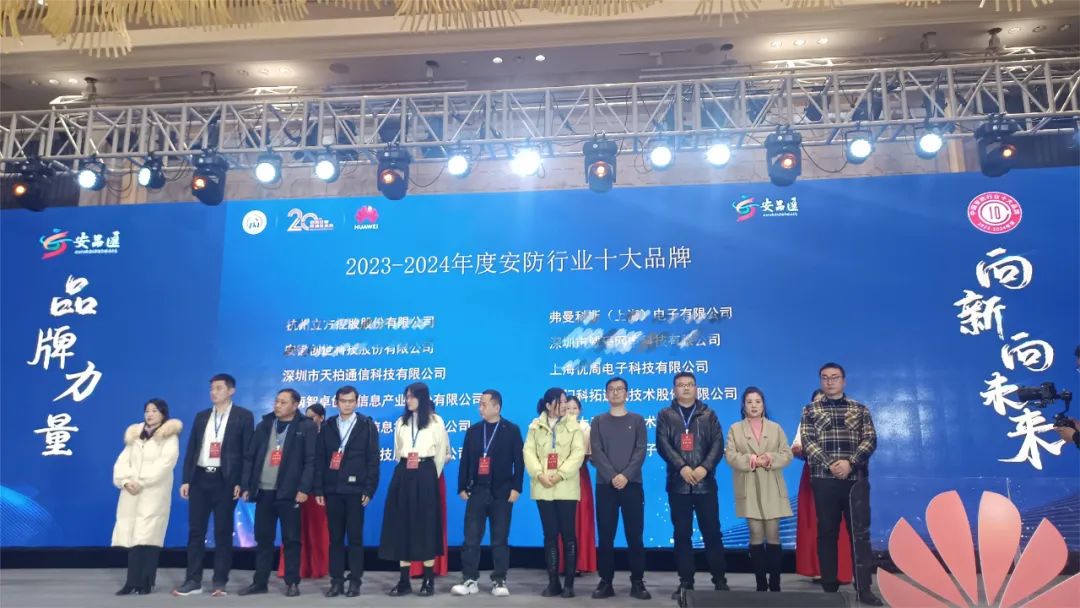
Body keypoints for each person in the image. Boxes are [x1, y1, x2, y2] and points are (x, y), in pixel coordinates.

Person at [800, 363, 883, 606]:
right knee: (827, 533)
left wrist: (850, 463)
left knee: (860, 535)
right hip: (824, 480)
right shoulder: (810, 410)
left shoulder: (860, 409)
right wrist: (831, 464)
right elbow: (808, 441)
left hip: (855, 481)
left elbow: (870, 440)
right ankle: (829, 588)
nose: (830, 381)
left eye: (834, 377)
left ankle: (864, 589)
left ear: (843, 381)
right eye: (825, 378)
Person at [174, 374, 254, 597]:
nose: (213, 392)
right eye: (212, 388)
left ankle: (220, 581)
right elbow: (192, 450)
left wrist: (242, 483)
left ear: (231, 391)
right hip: (200, 478)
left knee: (223, 532)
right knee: (196, 532)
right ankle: (193, 580)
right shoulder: (202, 416)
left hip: (225, 481)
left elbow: (247, 453)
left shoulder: (243, 416)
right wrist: (186, 479)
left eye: (219, 388)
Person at [656, 371, 729, 599]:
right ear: (674, 389)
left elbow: (718, 444)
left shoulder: (708, 414)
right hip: (678, 484)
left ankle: (720, 581)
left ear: (696, 388)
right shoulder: (666, 415)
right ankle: (686, 582)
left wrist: (703, 468)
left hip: (705, 484)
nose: (686, 388)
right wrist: (682, 467)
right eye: (681, 385)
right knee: (682, 535)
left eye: (690, 384)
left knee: (712, 533)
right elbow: (663, 444)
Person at [238, 388, 317, 597]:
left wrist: (304, 489)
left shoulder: (306, 426)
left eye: (283, 402)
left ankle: (292, 582)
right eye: (277, 401)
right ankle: (260, 582)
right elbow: (250, 457)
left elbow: (311, 461)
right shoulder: (265, 425)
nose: (278, 405)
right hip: (264, 491)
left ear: (295, 405)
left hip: (290, 493)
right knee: (263, 539)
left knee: (291, 539)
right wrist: (247, 486)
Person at [451, 389, 525, 597]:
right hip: (477, 491)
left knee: (500, 539)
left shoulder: (511, 430)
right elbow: (465, 461)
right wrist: (461, 487)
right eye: (479, 404)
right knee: (471, 538)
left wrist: (517, 487)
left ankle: (499, 579)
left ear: (497, 407)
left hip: (502, 492)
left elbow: (519, 463)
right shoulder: (474, 431)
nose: (480, 408)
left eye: (484, 404)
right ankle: (469, 579)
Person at [379, 382, 450, 597]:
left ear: (423, 398)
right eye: (406, 396)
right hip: (403, 473)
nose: (408, 400)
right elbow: (397, 451)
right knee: (402, 524)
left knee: (426, 524)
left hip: (426, 472)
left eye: (412, 396)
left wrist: (429, 475)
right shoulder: (401, 422)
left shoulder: (436, 422)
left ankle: (428, 580)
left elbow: (441, 454)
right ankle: (403, 581)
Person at [724, 387, 793, 592]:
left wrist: (770, 458)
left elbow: (787, 454)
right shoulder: (735, 429)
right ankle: (761, 584)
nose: (753, 406)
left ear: (763, 405)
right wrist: (752, 459)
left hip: (772, 486)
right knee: (755, 533)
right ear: (743, 406)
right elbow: (730, 456)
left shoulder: (775, 428)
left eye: (757, 401)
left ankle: (775, 583)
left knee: (773, 534)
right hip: (749, 486)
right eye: (749, 402)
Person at [112, 399, 183, 595]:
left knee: (149, 538)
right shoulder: (135, 435)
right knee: (134, 539)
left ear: (163, 414)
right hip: (131, 493)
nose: (150, 414)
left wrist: (141, 482)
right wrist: (126, 481)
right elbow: (122, 461)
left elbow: (165, 464)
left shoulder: (169, 437)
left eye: (154, 411)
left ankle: (146, 582)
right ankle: (131, 582)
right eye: (147, 411)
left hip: (153, 493)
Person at [314, 387, 379, 597]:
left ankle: (355, 581)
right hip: (332, 490)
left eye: (351, 401)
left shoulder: (366, 426)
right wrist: (318, 488)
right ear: (336, 403)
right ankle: (336, 581)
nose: (347, 404)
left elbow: (373, 459)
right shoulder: (328, 426)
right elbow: (319, 459)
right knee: (335, 539)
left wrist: (369, 489)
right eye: (343, 401)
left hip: (356, 491)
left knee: (355, 539)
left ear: (357, 402)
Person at [589, 377, 651, 600]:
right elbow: (596, 452)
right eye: (611, 389)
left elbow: (640, 451)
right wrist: (612, 476)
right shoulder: (598, 421)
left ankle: (638, 582)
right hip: (605, 486)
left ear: (627, 393)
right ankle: (606, 581)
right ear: (606, 394)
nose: (615, 392)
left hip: (632, 484)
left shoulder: (637, 420)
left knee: (635, 536)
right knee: (606, 537)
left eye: (619, 389)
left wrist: (625, 475)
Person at [523, 387, 586, 598]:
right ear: (549, 404)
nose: (565, 405)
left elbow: (578, 453)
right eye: (561, 401)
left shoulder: (573, 425)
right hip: (543, 487)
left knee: (568, 535)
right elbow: (528, 452)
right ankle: (553, 582)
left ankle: (569, 583)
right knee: (550, 535)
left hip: (566, 487)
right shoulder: (535, 425)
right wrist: (539, 474)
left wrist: (560, 475)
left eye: (566, 400)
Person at [793, 389, 853, 585]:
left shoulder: (845, 419)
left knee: (839, 522)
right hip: (813, 476)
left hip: (838, 475)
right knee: (814, 522)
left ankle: (842, 571)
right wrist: (800, 451)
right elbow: (796, 447)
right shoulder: (806, 421)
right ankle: (818, 569)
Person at [278, 403, 329, 581]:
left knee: (316, 531)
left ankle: (316, 568)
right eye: (306, 417)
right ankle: (295, 568)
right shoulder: (299, 435)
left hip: (318, 491)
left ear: (321, 418)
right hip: (298, 489)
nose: (308, 421)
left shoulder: (326, 437)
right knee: (294, 532)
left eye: (312, 417)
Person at [558, 395, 596, 576]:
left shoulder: (586, 428)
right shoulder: (556, 428)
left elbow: (591, 457)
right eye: (567, 408)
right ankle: (561, 562)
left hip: (579, 476)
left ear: (580, 411)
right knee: (563, 519)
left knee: (581, 517)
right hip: (560, 477)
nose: (571, 412)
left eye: (574, 408)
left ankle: (580, 562)